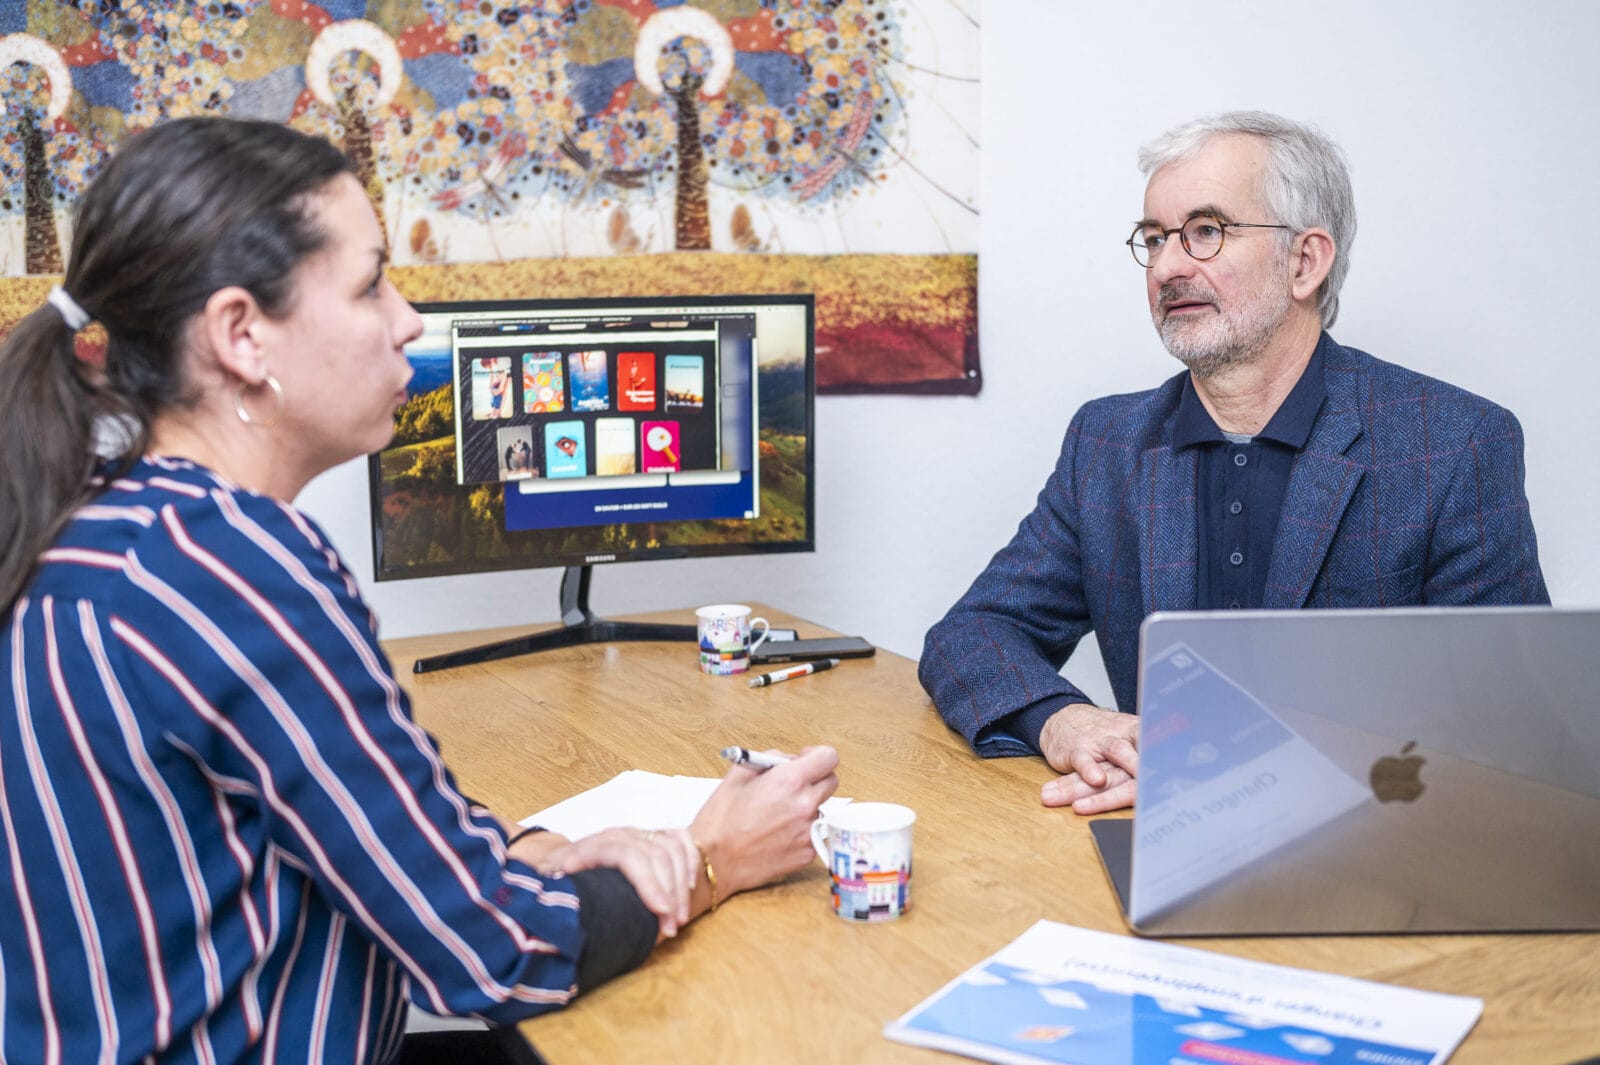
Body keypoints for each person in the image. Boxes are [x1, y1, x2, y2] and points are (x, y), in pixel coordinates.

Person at [0, 118, 838, 1064]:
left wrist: (535, 849)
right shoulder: (233, 569)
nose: (410, 320)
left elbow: (374, 824)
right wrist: (716, 856)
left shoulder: (105, 524)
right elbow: (493, 954)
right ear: (241, 332)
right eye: (370, 285)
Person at [920, 111, 1546, 817]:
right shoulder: (1108, 441)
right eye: (1154, 239)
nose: (1166, 266)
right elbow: (972, 633)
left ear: (1305, 261)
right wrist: (1066, 719)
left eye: (1206, 231)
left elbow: (1510, 723)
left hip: (1375, 844)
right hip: (1160, 837)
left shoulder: (1453, 442)